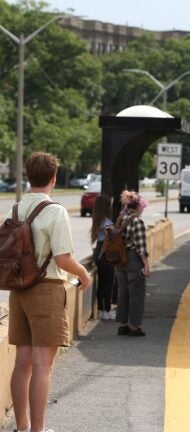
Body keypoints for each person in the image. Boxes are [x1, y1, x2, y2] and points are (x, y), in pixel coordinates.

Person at [7, 151, 92, 432]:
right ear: (54, 178)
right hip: (47, 290)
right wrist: (82, 273)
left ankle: (22, 428)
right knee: (43, 365)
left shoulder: (15, 210)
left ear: (28, 177)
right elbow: (62, 260)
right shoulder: (55, 211)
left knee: (23, 362)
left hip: (19, 291)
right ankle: (38, 430)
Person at [115, 190, 150, 337]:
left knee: (123, 292)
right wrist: (146, 266)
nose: (143, 209)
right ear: (138, 207)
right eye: (142, 206)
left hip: (119, 259)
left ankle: (123, 324)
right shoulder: (137, 221)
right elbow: (141, 247)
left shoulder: (121, 218)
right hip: (132, 259)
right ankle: (134, 326)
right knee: (136, 293)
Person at [91, 194, 116, 320]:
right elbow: (114, 236)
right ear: (106, 207)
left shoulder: (97, 221)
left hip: (98, 253)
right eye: (109, 205)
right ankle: (107, 310)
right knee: (109, 282)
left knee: (101, 282)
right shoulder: (107, 223)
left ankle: (101, 310)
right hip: (106, 254)